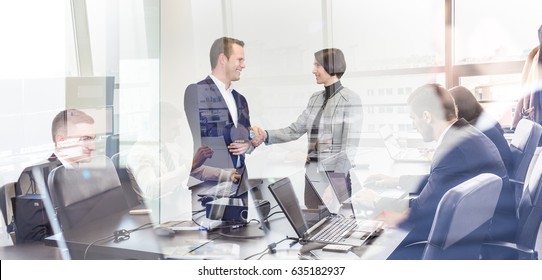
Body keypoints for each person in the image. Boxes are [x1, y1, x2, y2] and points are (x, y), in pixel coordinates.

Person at [366, 84, 516, 259]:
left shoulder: (453, 149)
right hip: (485, 228)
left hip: (477, 240)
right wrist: (396, 181)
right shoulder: (466, 134)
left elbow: (421, 210)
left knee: (378, 249)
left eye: (413, 118)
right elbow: (438, 180)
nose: (414, 125)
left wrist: (376, 201)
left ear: (427, 116)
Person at [127, 102, 240, 222]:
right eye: (174, 129)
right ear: (158, 126)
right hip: (155, 216)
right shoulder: (139, 153)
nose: (178, 133)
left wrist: (229, 175)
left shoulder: (170, 145)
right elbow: (151, 190)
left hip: (176, 206)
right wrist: (190, 165)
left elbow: (197, 170)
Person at [184, 37, 255, 172]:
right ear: (223, 59)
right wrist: (248, 133)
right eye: (240, 60)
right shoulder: (197, 92)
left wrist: (248, 143)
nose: (243, 65)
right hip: (211, 181)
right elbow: (208, 134)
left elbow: (249, 136)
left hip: (240, 178)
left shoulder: (240, 99)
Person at [449, 86, 513, 174]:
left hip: (495, 179)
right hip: (501, 174)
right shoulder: (484, 120)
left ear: (458, 107)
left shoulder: (474, 131)